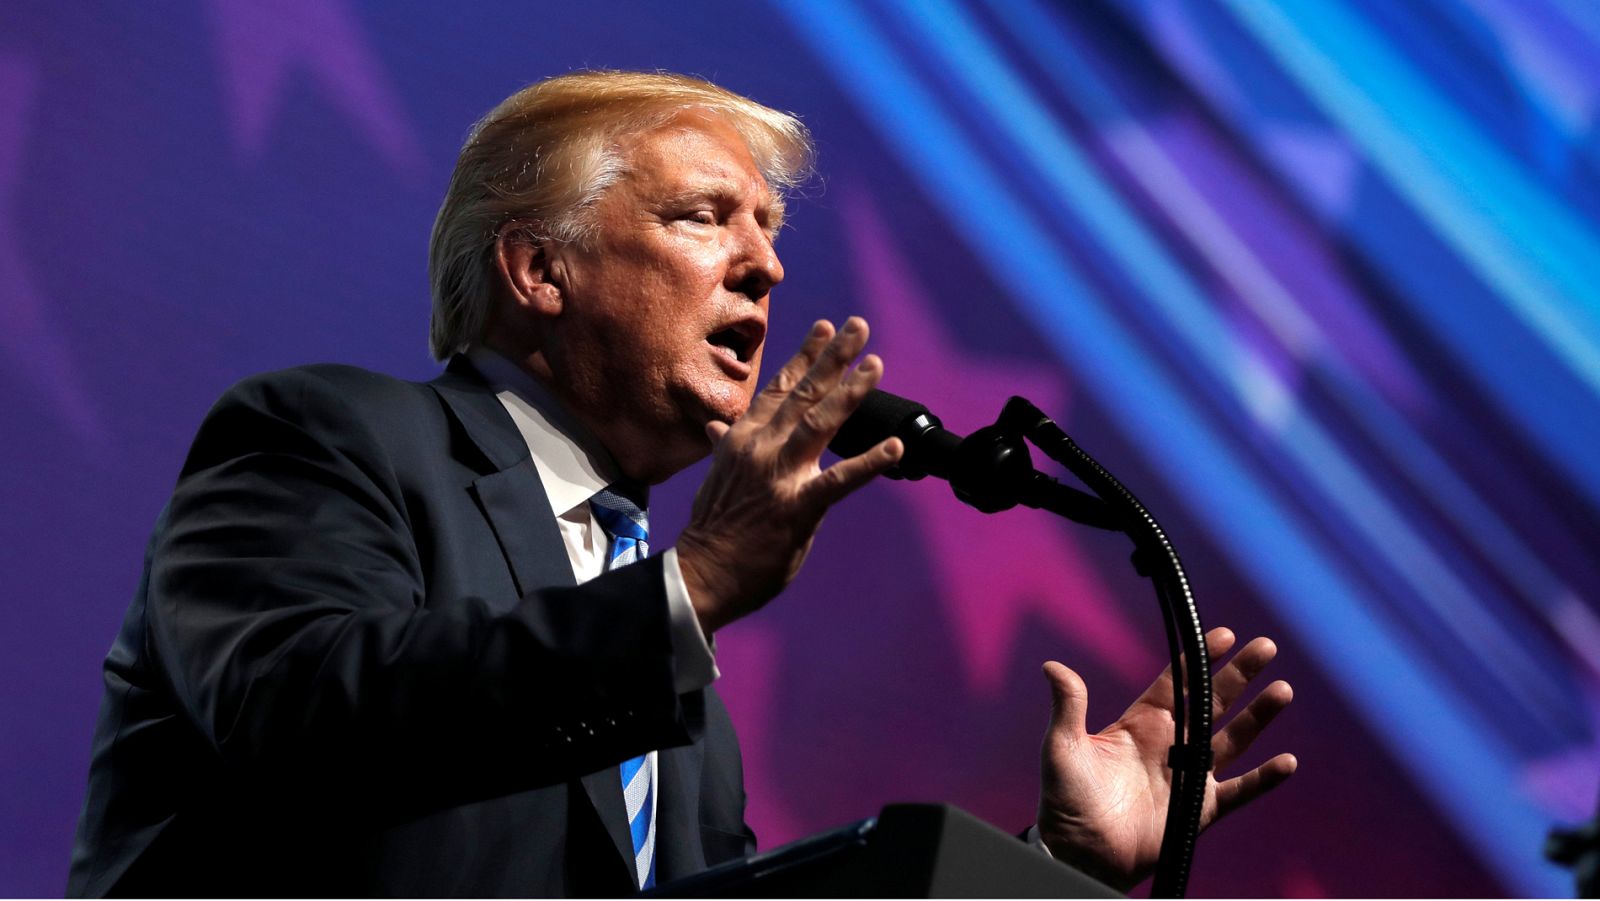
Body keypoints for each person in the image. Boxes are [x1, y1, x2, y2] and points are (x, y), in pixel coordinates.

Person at [67, 71, 1295, 897]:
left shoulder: (643, 616)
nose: (763, 268)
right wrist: (692, 588)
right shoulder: (330, 436)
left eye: (768, 230)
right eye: (707, 217)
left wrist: (1051, 872)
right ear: (540, 268)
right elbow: (299, 723)